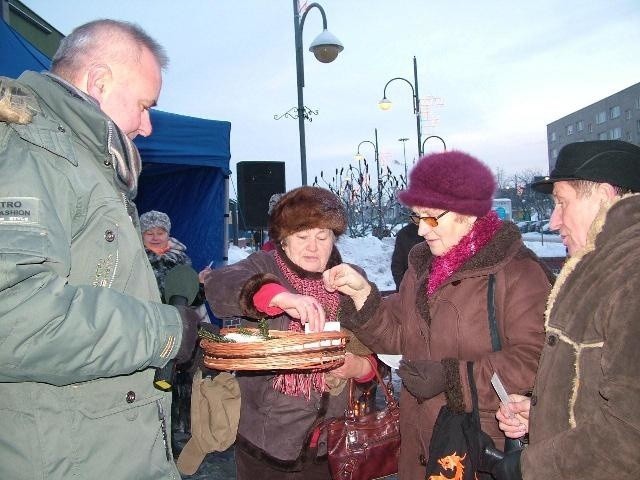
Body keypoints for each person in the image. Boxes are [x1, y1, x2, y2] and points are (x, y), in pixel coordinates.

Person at [0, 20, 201, 479]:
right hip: (63, 456)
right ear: (98, 82)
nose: (147, 126)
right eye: (144, 106)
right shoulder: (32, 152)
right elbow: (13, 315)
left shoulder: (78, 160)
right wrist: (167, 331)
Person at [322, 151, 554, 480]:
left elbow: (538, 360)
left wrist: (452, 377)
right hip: (421, 445)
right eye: (417, 218)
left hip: (479, 450)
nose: (421, 231)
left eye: (432, 218)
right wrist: (362, 295)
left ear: (469, 213)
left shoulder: (517, 271)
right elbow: (398, 334)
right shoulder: (422, 268)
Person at [203, 186, 378, 480]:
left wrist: (362, 368)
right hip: (269, 444)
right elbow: (221, 284)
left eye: (322, 237)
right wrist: (277, 297)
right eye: (302, 236)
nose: (313, 247)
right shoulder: (265, 265)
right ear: (283, 241)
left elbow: (379, 342)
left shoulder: (349, 277)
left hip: (333, 444)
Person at [491, 140, 640, 480]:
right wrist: (545, 416)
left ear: (604, 197)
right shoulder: (605, 267)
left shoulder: (631, 276)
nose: (554, 221)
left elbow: (629, 434)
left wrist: (528, 467)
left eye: (561, 202)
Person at [390, 220, 423, 291]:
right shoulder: (405, 234)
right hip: (410, 288)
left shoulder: (438, 233)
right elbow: (397, 265)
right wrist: (403, 287)